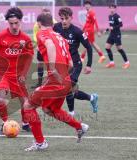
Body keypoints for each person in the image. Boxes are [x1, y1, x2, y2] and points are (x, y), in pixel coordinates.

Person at [23, 12, 89, 151]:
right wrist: (63, 76)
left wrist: (52, 70)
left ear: (39, 24)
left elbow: (50, 46)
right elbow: (70, 64)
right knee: (50, 109)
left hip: (56, 80)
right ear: (52, 24)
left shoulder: (42, 34)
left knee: (28, 106)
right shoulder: (61, 37)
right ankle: (80, 127)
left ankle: (40, 143)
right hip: (66, 80)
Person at [0, 7, 34, 133]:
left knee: (25, 102)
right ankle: (4, 124)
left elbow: (30, 56)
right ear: (7, 22)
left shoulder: (26, 39)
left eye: (16, 23)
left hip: (17, 75)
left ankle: (25, 123)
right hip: (1, 74)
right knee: (0, 100)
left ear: (20, 21)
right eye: (11, 23)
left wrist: (24, 74)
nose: (14, 26)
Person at [53, 7, 98, 116]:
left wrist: (88, 65)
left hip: (75, 64)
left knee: (67, 87)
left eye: (66, 18)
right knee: (71, 91)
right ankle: (92, 98)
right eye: (62, 18)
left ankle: (71, 113)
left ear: (71, 18)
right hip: (62, 65)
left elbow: (89, 47)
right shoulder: (56, 28)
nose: (63, 21)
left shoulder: (77, 31)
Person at [31, 8, 57, 89]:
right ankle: (39, 83)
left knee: (52, 65)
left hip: (52, 48)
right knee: (40, 64)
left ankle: (53, 83)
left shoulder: (55, 23)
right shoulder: (36, 25)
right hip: (41, 48)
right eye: (44, 14)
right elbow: (35, 35)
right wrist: (39, 44)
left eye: (47, 14)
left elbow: (57, 35)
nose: (46, 16)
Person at [104, 4, 130, 69]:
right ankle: (112, 63)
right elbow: (111, 26)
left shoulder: (117, 16)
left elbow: (121, 24)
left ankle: (127, 63)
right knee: (107, 47)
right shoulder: (109, 16)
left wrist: (114, 27)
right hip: (111, 34)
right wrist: (107, 30)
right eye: (110, 8)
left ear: (115, 9)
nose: (111, 9)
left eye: (113, 8)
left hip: (117, 34)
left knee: (119, 49)